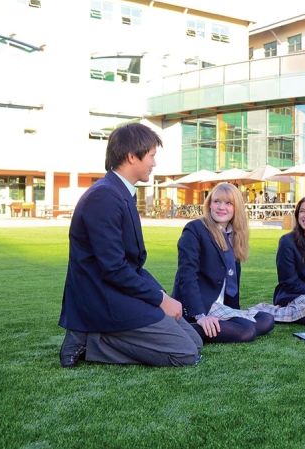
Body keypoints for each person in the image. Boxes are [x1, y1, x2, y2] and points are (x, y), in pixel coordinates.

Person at [58, 123, 202, 367]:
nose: (154, 163)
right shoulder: (103, 196)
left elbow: (132, 264)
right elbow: (113, 268)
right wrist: (159, 300)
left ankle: (98, 336)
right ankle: (91, 341)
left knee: (195, 342)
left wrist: (161, 295)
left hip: (121, 289)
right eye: (151, 156)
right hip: (104, 296)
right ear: (132, 156)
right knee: (185, 354)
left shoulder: (121, 193)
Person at [172, 182, 275, 343]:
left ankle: (219, 325)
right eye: (216, 201)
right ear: (209, 204)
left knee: (266, 319)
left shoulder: (234, 235)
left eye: (228, 203)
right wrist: (199, 315)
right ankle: (187, 329)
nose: (221, 207)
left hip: (220, 307)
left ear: (236, 208)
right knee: (246, 331)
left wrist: (234, 311)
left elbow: (232, 280)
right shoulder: (195, 229)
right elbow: (186, 275)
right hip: (200, 306)